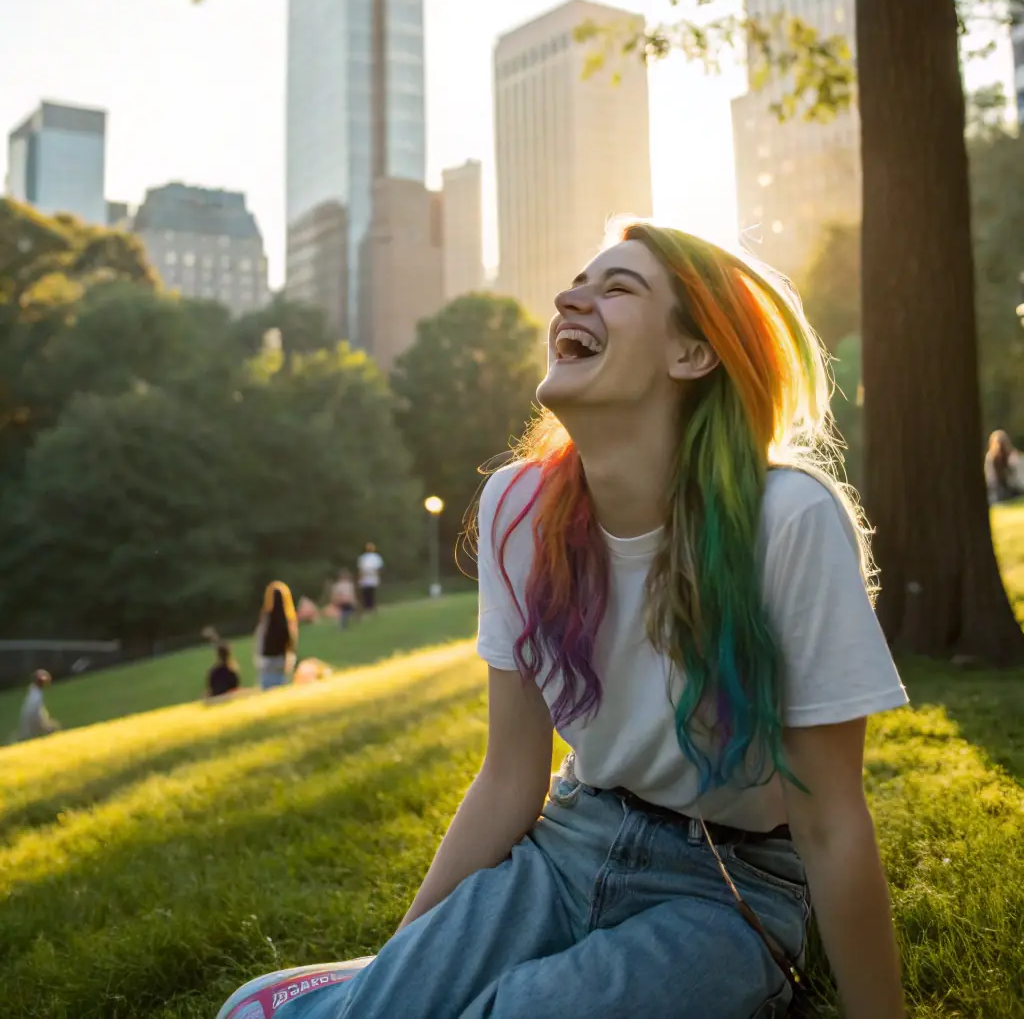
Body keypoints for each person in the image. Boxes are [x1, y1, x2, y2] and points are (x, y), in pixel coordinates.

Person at [219, 224, 908, 1019]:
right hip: (570, 841)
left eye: (618, 288)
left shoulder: (785, 519)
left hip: (732, 884)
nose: (567, 298)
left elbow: (830, 817)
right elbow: (511, 777)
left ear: (692, 353)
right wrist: (392, 977)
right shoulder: (519, 507)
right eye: (579, 279)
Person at [253, 581, 298, 691]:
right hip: (281, 660)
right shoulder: (288, 619)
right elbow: (291, 641)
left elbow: (260, 637)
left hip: (266, 660)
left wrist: (257, 656)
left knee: (267, 688)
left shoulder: (267, 617)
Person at [18, 669, 60, 741]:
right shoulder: (36, 694)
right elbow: (35, 711)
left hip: (29, 718)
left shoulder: (33, 691)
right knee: (53, 729)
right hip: (34, 718)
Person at [985, 429, 1024, 505]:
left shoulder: (1011, 457)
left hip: (1008, 489)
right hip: (998, 491)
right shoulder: (991, 459)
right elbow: (992, 480)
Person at [356, 544, 384, 615]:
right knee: (367, 592)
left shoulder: (375, 557)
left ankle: (371, 607)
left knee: (370, 592)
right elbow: (361, 569)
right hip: (368, 575)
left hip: (371, 575)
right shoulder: (365, 557)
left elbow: (378, 568)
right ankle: (368, 607)